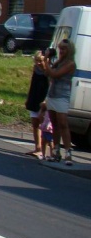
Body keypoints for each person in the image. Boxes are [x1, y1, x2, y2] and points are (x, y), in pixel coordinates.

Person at [38, 38, 77, 166]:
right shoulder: (59, 61)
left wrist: (47, 62)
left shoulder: (70, 64)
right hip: (53, 95)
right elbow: (47, 73)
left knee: (63, 123)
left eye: (64, 49)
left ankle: (68, 153)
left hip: (62, 96)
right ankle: (56, 152)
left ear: (70, 50)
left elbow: (55, 75)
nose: (61, 51)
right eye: (60, 48)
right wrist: (47, 60)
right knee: (54, 124)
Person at [24, 50, 49, 156]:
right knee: (35, 123)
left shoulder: (48, 72)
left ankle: (44, 149)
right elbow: (32, 85)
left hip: (43, 100)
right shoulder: (35, 70)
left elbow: (50, 87)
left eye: (40, 61)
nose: (38, 63)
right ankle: (37, 147)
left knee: (44, 124)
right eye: (37, 60)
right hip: (34, 98)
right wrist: (28, 98)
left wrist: (46, 101)